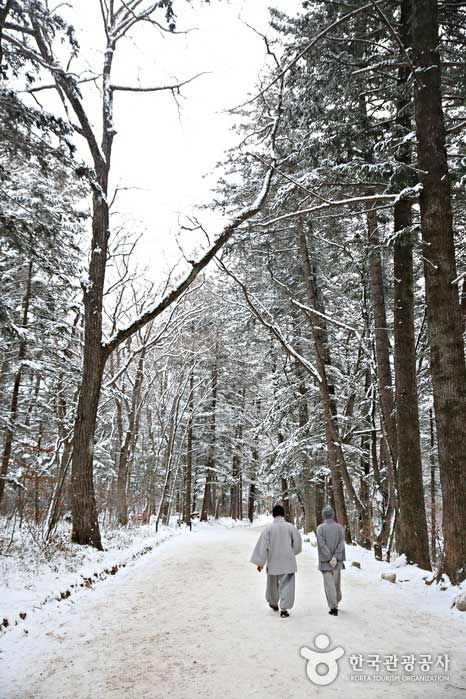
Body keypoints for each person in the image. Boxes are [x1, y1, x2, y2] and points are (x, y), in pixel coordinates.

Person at [250, 504, 302, 618]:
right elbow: (297, 545)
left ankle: (273, 603)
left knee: (272, 584)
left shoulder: (268, 529)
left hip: (273, 561)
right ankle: (284, 608)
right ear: (283, 514)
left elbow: (262, 546)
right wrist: (292, 553)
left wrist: (260, 563)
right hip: (288, 562)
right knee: (287, 584)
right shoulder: (290, 527)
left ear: (273, 515)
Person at [316, 505, 346, 616]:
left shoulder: (320, 528)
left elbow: (322, 545)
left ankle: (333, 607)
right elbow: (341, 544)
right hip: (337, 561)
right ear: (333, 515)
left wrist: (329, 558)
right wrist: (335, 557)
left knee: (329, 584)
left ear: (323, 516)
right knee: (336, 582)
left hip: (325, 561)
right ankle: (337, 599)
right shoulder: (340, 528)